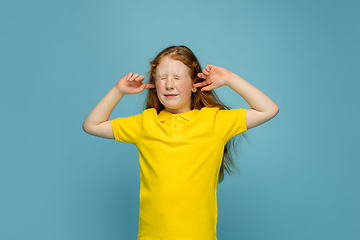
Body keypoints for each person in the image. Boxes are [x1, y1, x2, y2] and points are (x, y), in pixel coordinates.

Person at [82, 45, 279, 240]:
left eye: (177, 78)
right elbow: (92, 125)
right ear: (154, 84)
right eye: (162, 78)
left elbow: (268, 109)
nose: (169, 84)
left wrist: (229, 78)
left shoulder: (215, 121)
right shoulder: (145, 122)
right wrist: (118, 91)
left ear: (195, 84)